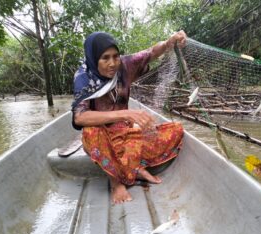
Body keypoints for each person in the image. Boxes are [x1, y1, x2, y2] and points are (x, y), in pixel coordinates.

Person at [72, 31, 187, 204]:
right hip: (103, 137)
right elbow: (80, 118)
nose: (112, 63)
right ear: (94, 58)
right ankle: (116, 182)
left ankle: (134, 167)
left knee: (175, 130)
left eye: (115, 56)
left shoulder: (124, 65)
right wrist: (126, 113)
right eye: (105, 58)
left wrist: (169, 42)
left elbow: (151, 52)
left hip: (126, 133)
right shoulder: (84, 77)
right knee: (90, 133)